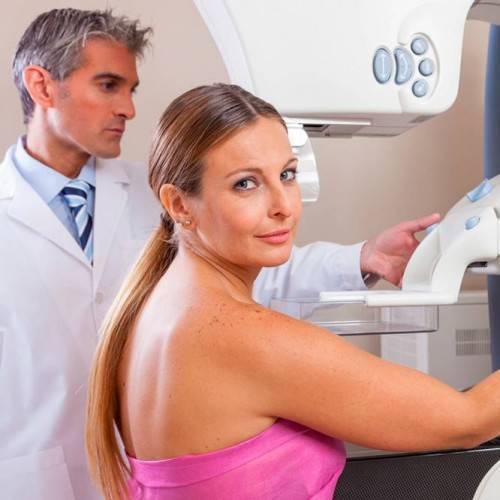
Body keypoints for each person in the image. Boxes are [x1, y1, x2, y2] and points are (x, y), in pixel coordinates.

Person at [0, 8, 437, 500]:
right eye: (108, 86)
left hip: (149, 468)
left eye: (131, 89)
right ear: (41, 86)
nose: (128, 108)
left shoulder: (158, 194)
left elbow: (252, 271)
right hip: (33, 478)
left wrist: (365, 256)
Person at [85, 83, 500, 500]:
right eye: (246, 184)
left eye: (286, 175)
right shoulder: (244, 337)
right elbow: (469, 421)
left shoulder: (152, 309)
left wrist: (367, 256)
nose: (283, 205)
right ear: (179, 205)